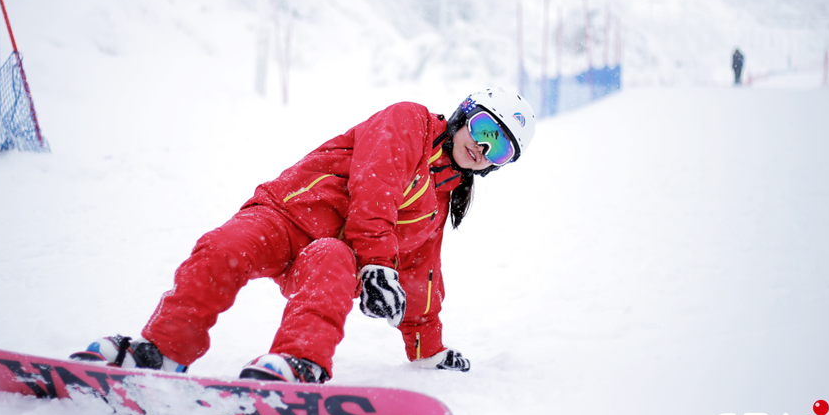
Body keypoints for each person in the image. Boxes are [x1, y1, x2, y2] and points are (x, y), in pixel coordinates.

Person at [72, 87, 536, 383]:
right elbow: (374, 185)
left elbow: (421, 274)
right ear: (463, 116)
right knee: (223, 248)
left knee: (335, 259)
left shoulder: (438, 206)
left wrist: (427, 348)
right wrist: (376, 262)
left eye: (499, 151)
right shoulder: (408, 121)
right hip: (284, 215)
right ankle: (164, 351)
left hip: (326, 253)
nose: (482, 148)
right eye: (483, 130)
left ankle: (297, 366)